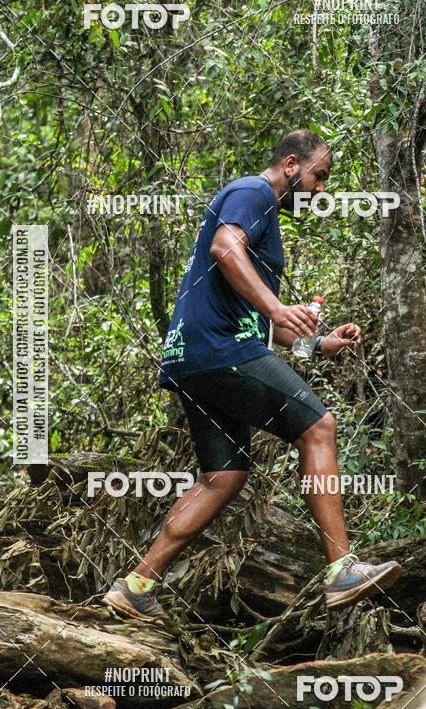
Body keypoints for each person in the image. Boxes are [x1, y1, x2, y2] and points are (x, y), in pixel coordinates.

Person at [103, 130, 401, 621]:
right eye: (319, 177)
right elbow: (225, 248)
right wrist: (280, 307)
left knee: (223, 476)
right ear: (291, 166)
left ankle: (135, 586)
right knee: (318, 427)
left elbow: (258, 322)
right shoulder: (253, 193)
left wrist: (320, 343)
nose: (321, 191)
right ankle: (342, 571)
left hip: (195, 359)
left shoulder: (263, 217)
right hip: (222, 352)